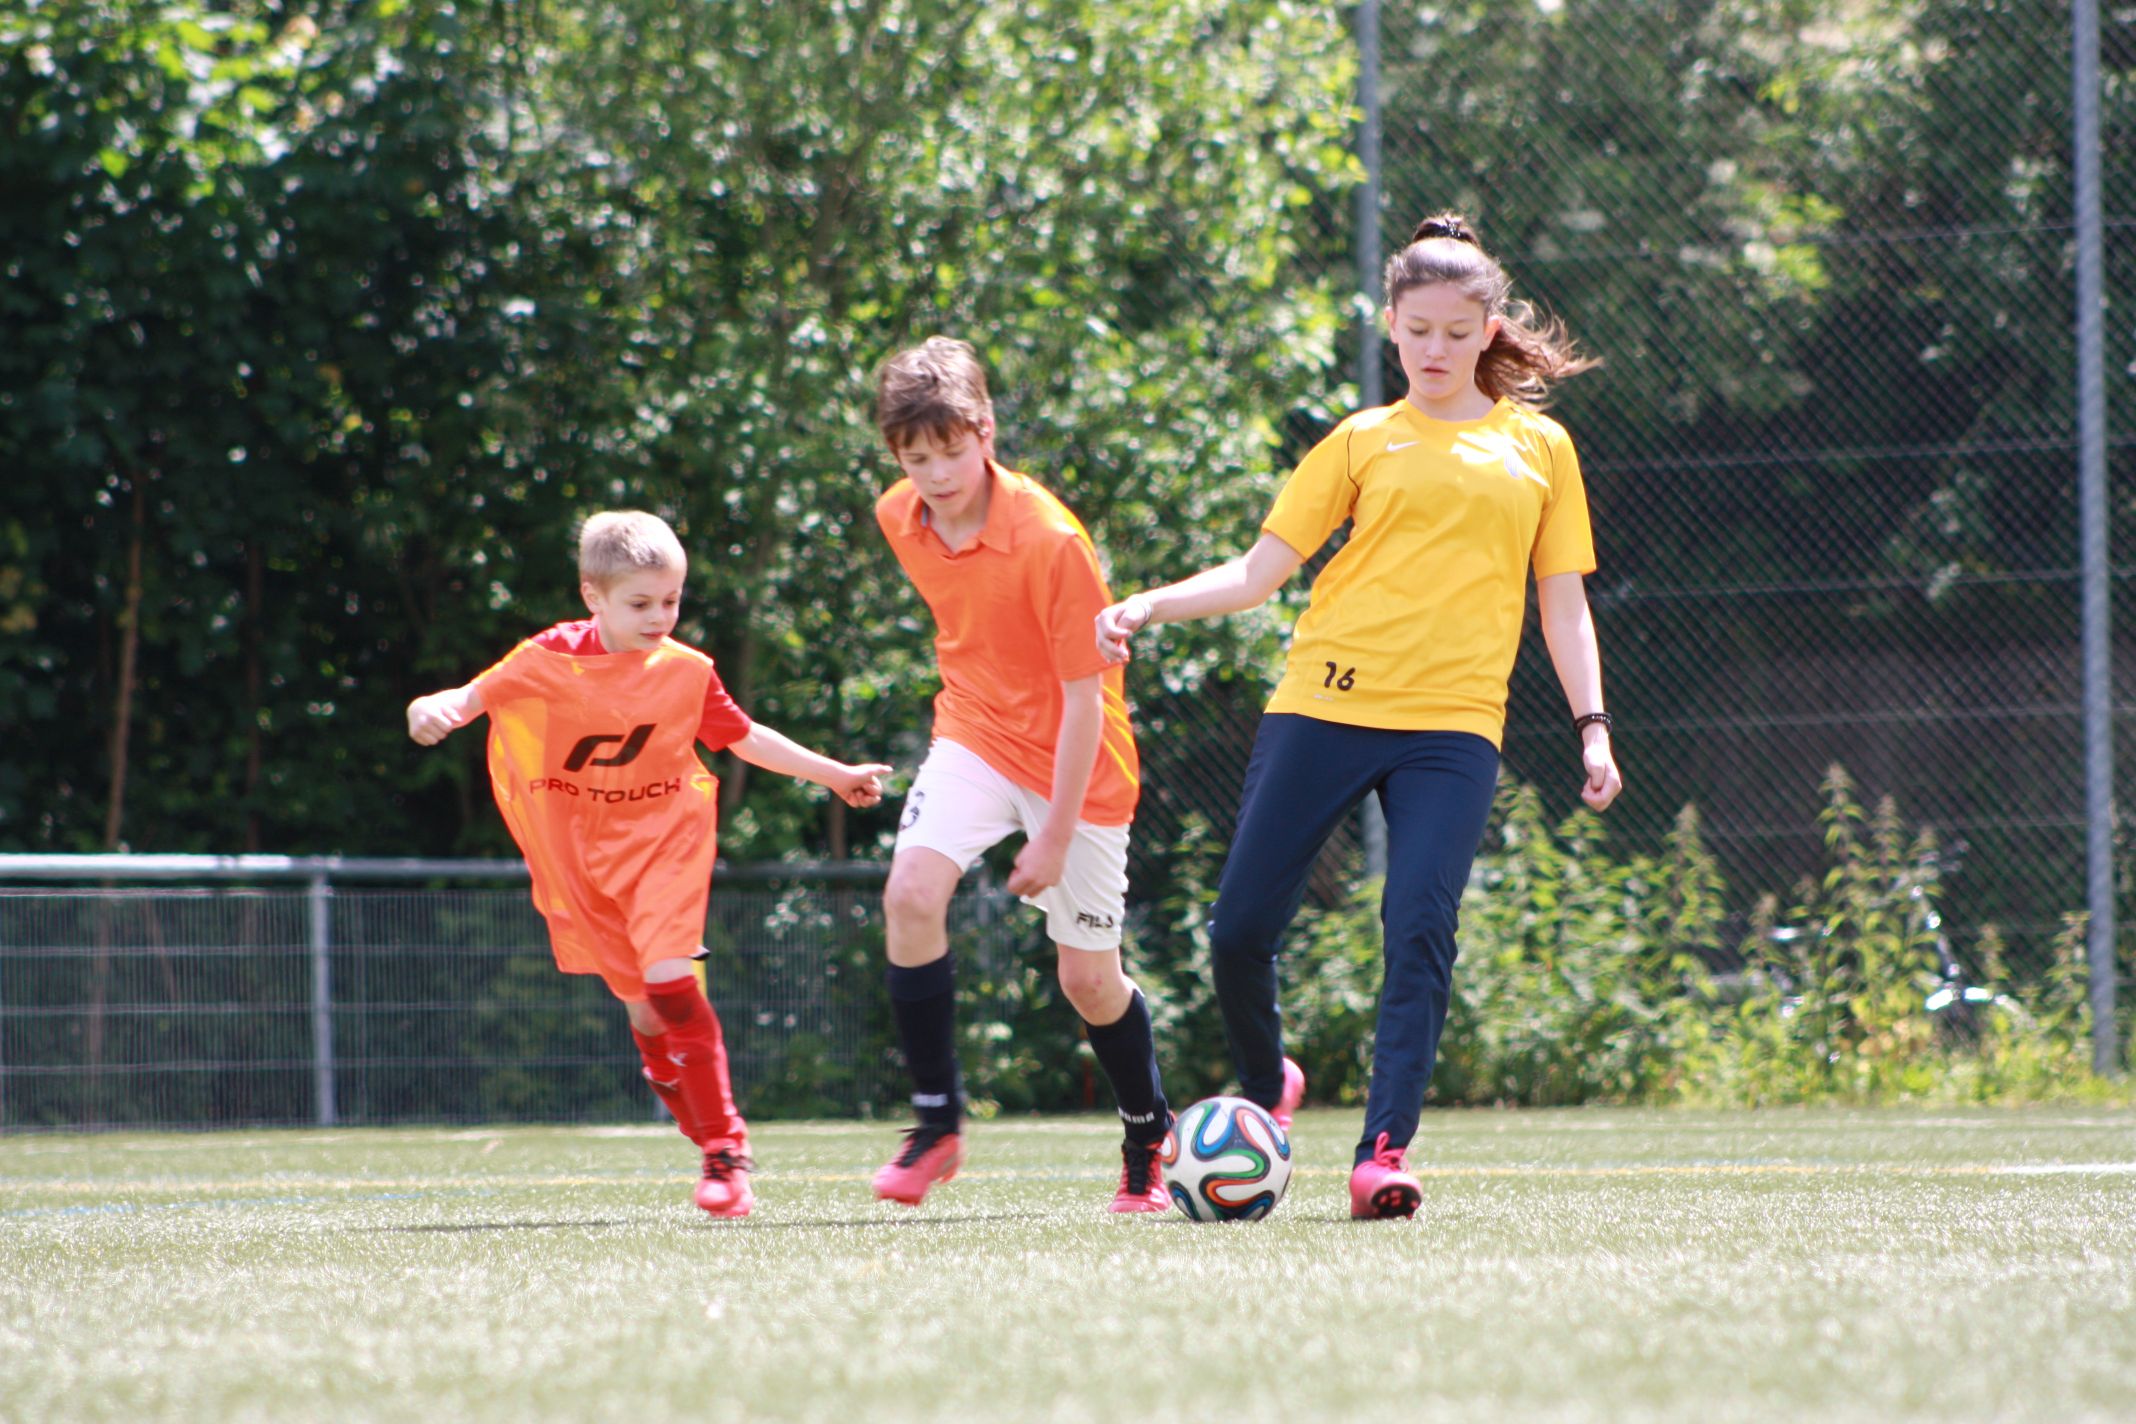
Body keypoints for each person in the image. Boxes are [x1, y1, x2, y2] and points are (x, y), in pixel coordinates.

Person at [1095, 213, 1624, 1220]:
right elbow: (1259, 573)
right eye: (1416, 330)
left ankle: (1383, 1152)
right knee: (1238, 932)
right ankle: (1270, 1083)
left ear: (1489, 329)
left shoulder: (1541, 449)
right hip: (1324, 705)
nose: (1434, 349)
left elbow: (1563, 603)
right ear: (1390, 325)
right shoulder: (1360, 440)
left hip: (1452, 728)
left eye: (1455, 332)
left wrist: (1592, 726)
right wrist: (1148, 604)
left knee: (1419, 926)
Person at [405, 511, 888, 1219]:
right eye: (641, 604)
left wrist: (836, 775)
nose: (660, 617)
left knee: (670, 982)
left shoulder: (687, 673)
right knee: (646, 1011)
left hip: (666, 843)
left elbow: (744, 737)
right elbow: (468, 698)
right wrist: (429, 706)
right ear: (592, 597)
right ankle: (675, 1083)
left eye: (671, 600)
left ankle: (725, 1151)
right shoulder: (547, 658)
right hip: (582, 856)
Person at [868, 336, 1174, 1214]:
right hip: (974, 734)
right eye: (916, 459)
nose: (936, 475)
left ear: (987, 431)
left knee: (1088, 982)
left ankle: (1147, 1133)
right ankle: (938, 1123)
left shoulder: (1050, 541)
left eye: (951, 451)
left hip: (1079, 766)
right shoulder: (899, 517)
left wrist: (1054, 834)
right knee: (910, 894)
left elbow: (1085, 701)